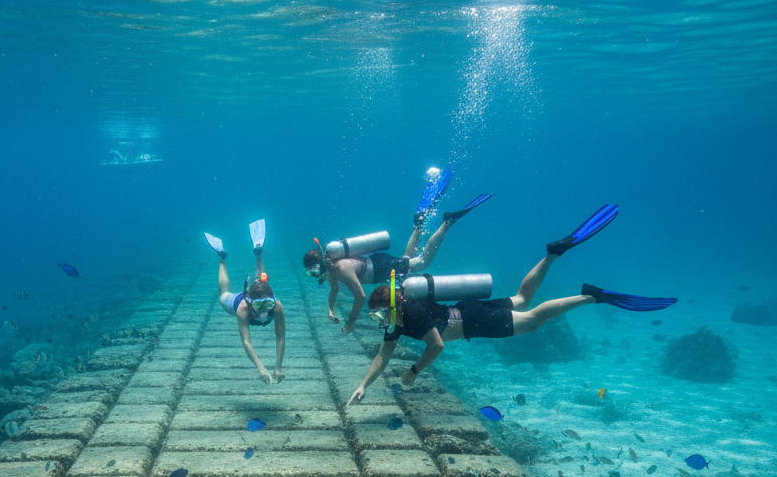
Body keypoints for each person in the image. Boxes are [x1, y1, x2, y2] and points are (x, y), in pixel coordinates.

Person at [347, 204, 676, 404]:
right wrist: (363, 386)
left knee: (532, 320)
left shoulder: (411, 315)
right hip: (469, 308)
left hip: (476, 323)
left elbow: (436, 347)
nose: (377, 320)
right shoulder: (398, 318)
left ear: (390, 305)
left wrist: (414, 371)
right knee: (522, 298)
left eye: (377, 313)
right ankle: (553, 253)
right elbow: (381, 355)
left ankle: (591, 295)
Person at [303, 166, 491, 333]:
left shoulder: (341, 269)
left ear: (319, 264)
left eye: (312, 273)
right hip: (378, 263)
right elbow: (333, 291)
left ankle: (447, 223)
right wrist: (330, 311)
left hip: (381, 267)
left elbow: (360, 297)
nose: (314, 276)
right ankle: (418, 226)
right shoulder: (333, 267)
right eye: (310, 274)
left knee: (421, 262)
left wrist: (351, 322)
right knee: (407, 259)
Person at [204, 220, 286, 384]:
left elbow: (281, 337)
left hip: (257, 294)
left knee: (259, 282)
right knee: (223, 296)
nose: (263, 310)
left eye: (267, 304)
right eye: (258, 305)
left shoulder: (276, 306)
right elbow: (246, 341)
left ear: (272, 299)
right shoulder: (243, 307)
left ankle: (258, 253)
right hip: (240, 300)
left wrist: (278, 367)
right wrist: (260, 368)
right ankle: (222, 258)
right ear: (250, 302)